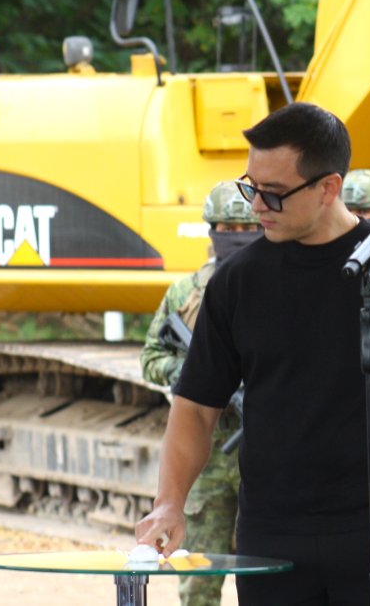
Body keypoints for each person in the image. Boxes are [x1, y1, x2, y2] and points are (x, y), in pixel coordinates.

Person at [134, 102, 370, 605]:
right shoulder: (237, 282)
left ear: (329, 187)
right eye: (250, 187)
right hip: (270, 540)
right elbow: (194, 407)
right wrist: (169, 503)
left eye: (274, 194)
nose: (256, 206)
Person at [140, 180, 261, 606]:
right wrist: (196, 377)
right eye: (225, 227)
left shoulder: (274, 289)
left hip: (262, 453)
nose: (235, 236)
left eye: (244, 227)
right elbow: (151, 356)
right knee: (198, 575)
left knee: (263, 573)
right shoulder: (186, 292)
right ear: (211, 231)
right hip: (204, 457)